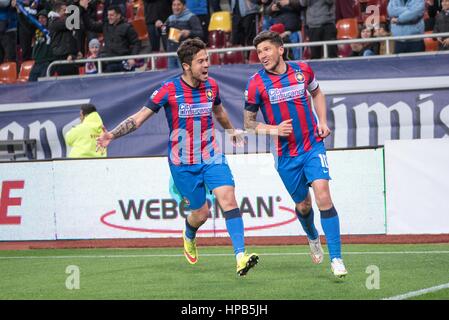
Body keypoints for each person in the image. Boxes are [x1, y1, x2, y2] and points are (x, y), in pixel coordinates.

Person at [97, 38, 259, 276]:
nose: (206, 65)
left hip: (211, 156)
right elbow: (139, 118)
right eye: (201, 61)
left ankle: (240, 256)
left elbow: (219, 111)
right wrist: (112, 134)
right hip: (182, 164)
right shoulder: (168, 90)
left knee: (228, 199)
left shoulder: (211, 85)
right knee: (201, 214)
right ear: (186, 65)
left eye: (207, 60)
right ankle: (189, 234)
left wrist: (232, 131)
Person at [243, 31, 347, 278]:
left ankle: (337, 259)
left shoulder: (302, 70)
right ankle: (312, 235)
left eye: (266, 50)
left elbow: (317, 93)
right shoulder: (256, 83)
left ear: (280, 49)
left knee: (323, 195)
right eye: (259, 52)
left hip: (312, 145)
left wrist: (322, 121)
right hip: (285, 155)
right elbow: (248, 123)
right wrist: (274, 129)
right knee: (303, 205)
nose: (262, 56)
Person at [79, 0, 141, 73]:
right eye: (108, 15)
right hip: (108, 62)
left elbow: (136, 43)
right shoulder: (105, 25)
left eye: (111, 15)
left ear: (118, 15)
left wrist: (132, 58)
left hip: (122, 61)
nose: (109, 17)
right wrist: (83, 10)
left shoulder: (127, 27)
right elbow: (90, 26)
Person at [156, 0, 203, 69]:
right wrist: (159, 26)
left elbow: (200, 33)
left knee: (184, 78)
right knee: (172, 78)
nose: (176, 7)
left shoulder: (191, 17)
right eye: (174, 5)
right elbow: (163, 32)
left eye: (178, 5)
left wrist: (189, 32)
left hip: (185, 55)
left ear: (184, 6)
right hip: (171, 54)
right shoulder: (170, 18)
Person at [29, 9, 53, 81]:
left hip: (47, 62)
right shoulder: (36, 31)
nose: (40, 19)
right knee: (30, 85)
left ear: (47, 19)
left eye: (43, 17)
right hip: (36, 62)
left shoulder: (51, 30)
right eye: (39, 18)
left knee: (43, 84)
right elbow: (25, 25)